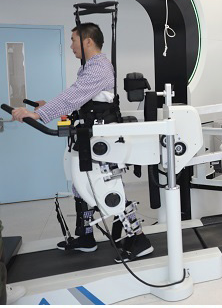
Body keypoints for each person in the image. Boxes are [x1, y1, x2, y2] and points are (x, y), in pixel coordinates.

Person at [12, 23, 153, 261]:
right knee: (81, 187)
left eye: (73, 40)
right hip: (89, 138)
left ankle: (139, 239)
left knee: (107, 189)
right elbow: (80, 101)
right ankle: (86, 236)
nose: (71, 46)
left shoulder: (99, 67)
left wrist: (37, 114)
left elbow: (73, 95)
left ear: (88, 41)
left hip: (103, 142)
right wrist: (48, 107)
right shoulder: (89, 68)